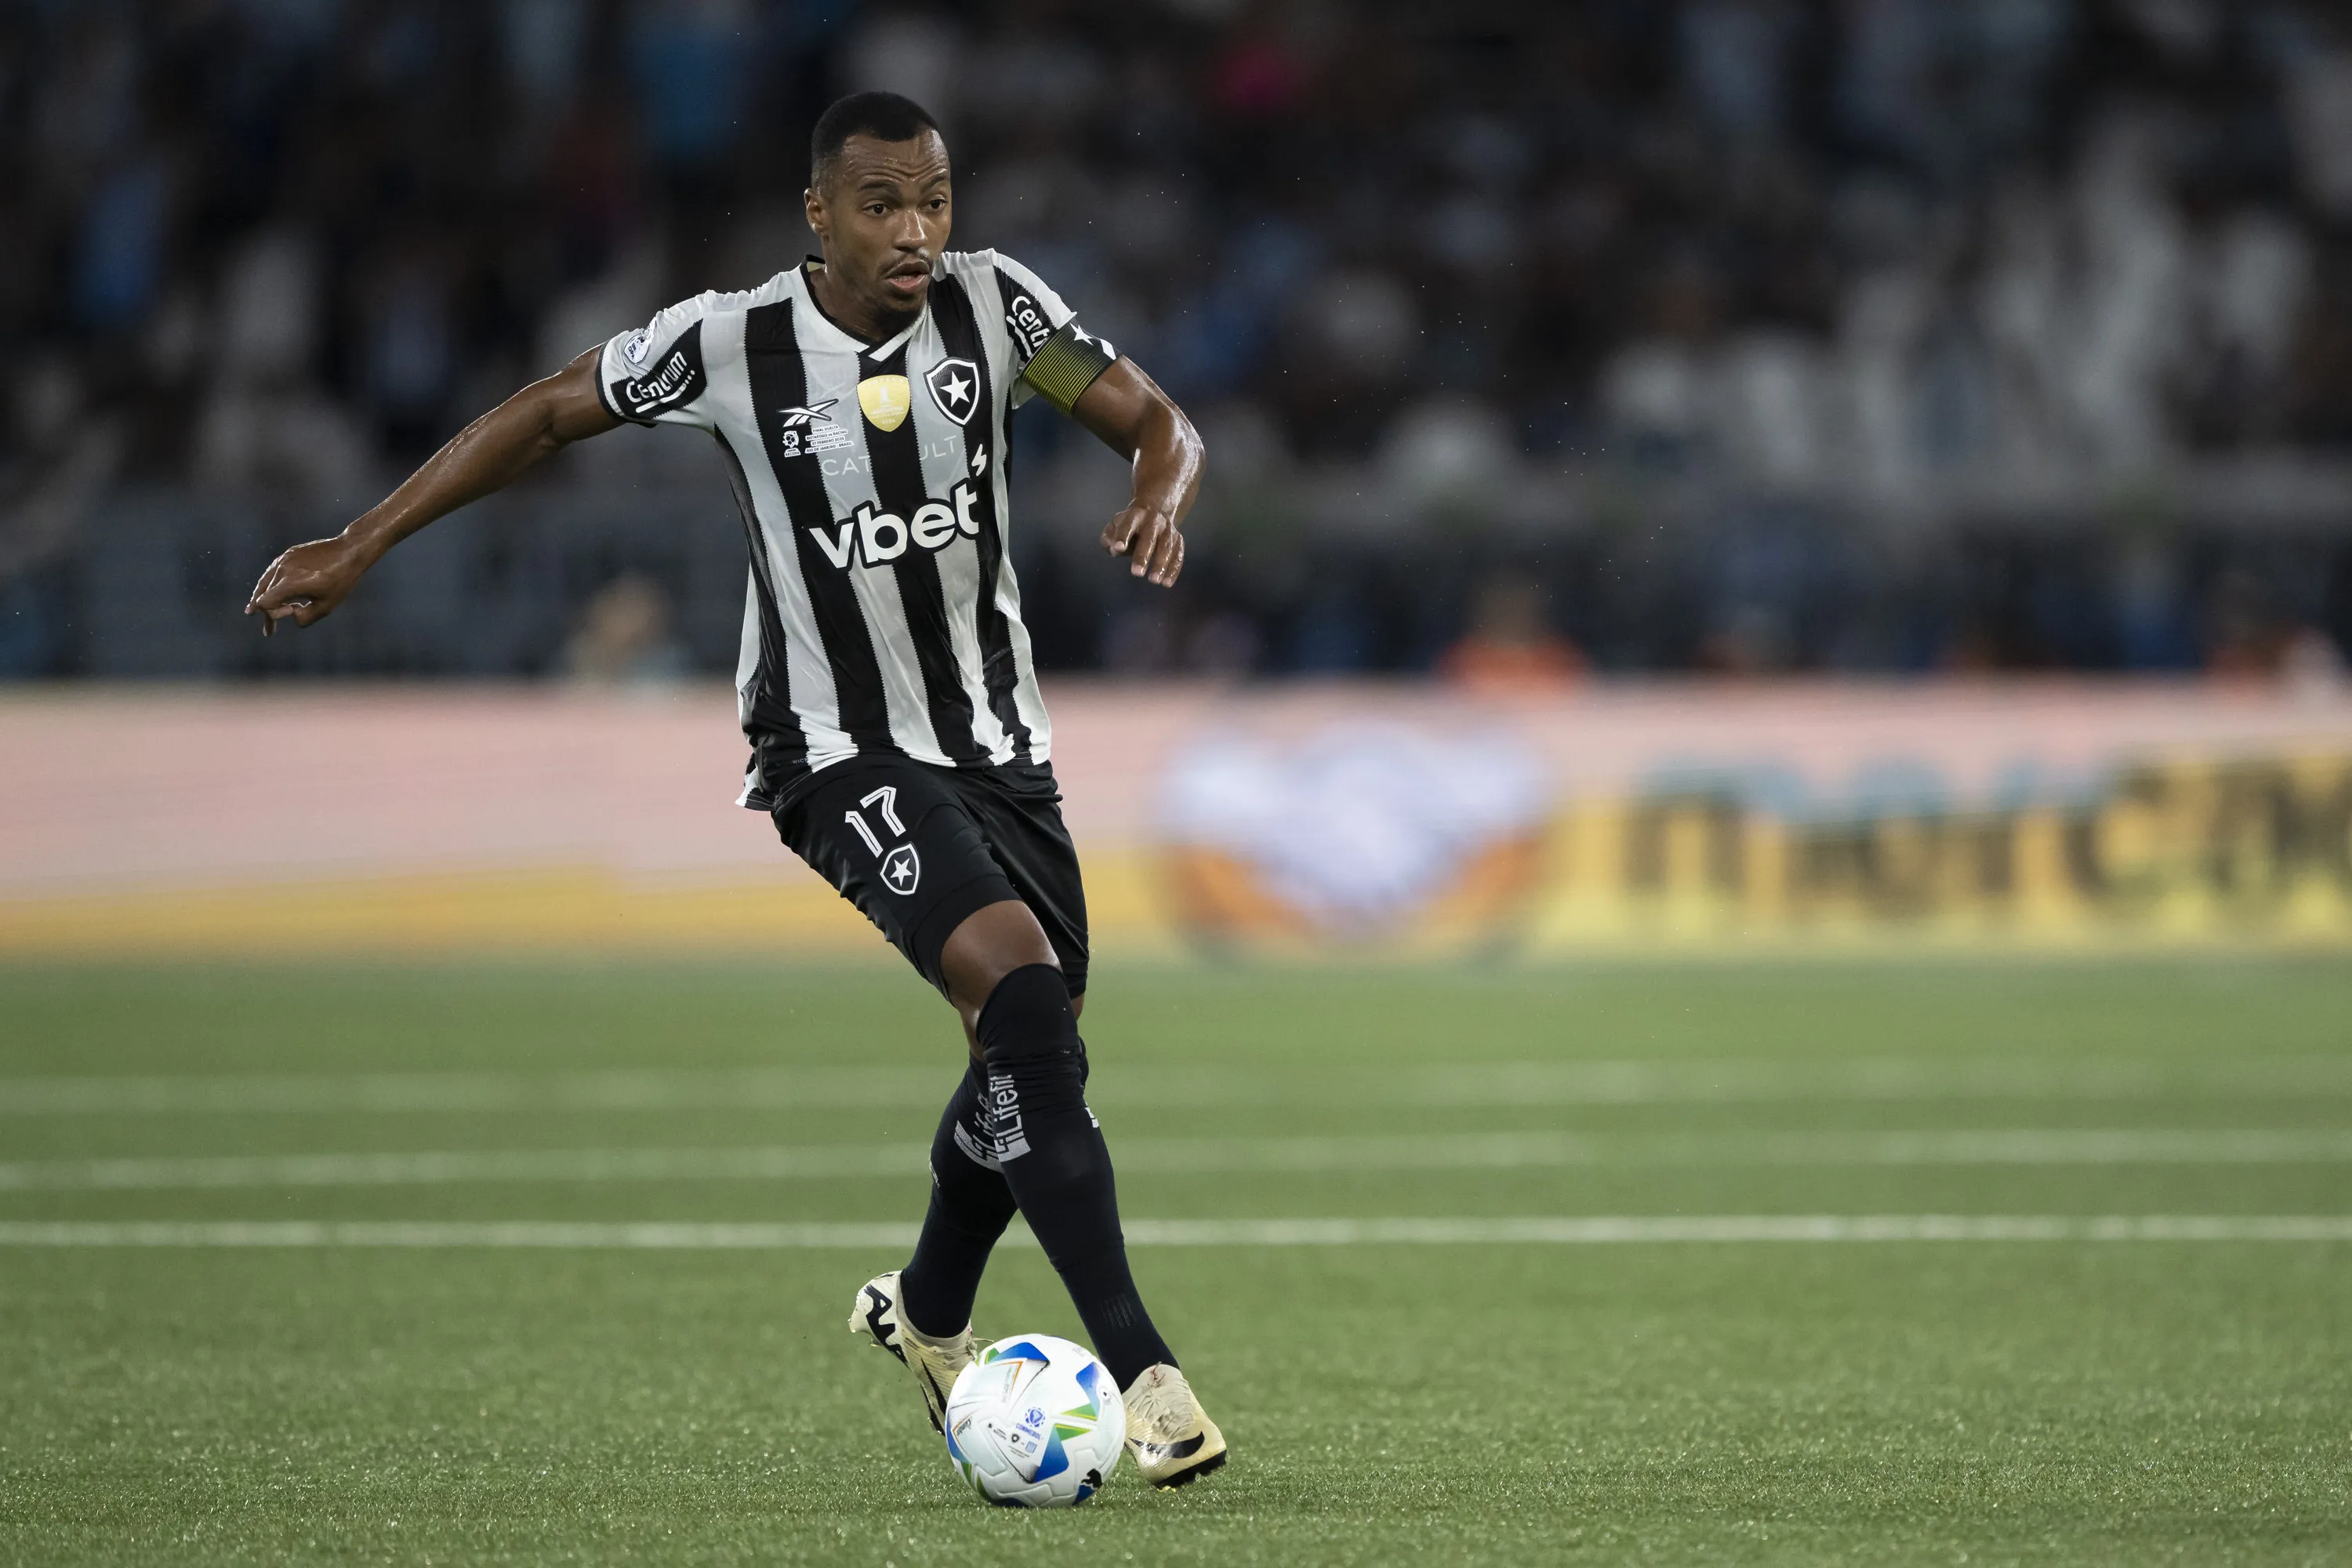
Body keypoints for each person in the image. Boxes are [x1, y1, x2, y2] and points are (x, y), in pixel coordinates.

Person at [245, 91, 1225, 1490]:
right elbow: (542, 416)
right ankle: (1148, 1378)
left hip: (1003, 747)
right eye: (883, 205)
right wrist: (364, 538)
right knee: (1015, 997)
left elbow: (1156, 420)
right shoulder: (729, 340)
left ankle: (926, 1311)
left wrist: (1160, 482)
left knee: (1033, 1047)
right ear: (818, 214)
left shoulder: (999, 312)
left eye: (936, 201)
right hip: (832, 749)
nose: (917, 233)